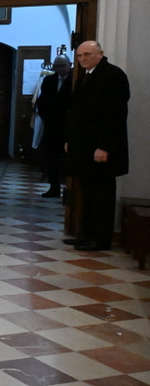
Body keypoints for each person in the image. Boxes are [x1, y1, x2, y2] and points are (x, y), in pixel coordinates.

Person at [66, 41, 129, 251]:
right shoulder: (87, 75)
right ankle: (85, 234)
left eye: (87, 54)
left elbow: (114, 116)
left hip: (101, 148)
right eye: (79, 56)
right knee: (87, 192)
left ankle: (101, 239)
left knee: (101, 193)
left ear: (100, 54)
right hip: (84, 147)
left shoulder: (112, 76)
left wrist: (104, 147)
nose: (82, 59)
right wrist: (71, 141)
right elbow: (79, 113)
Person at [35, 55, 72, 198]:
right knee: (51, 157)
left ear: (69, 64)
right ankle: (54, 187)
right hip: (52, 125)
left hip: (69, 126)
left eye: (62, 66)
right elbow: (41, 101)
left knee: (67, 158)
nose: (60, 69)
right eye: (57, 66)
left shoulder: (75, 80)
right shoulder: (49, 80)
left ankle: (70, 189)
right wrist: (47, 117)